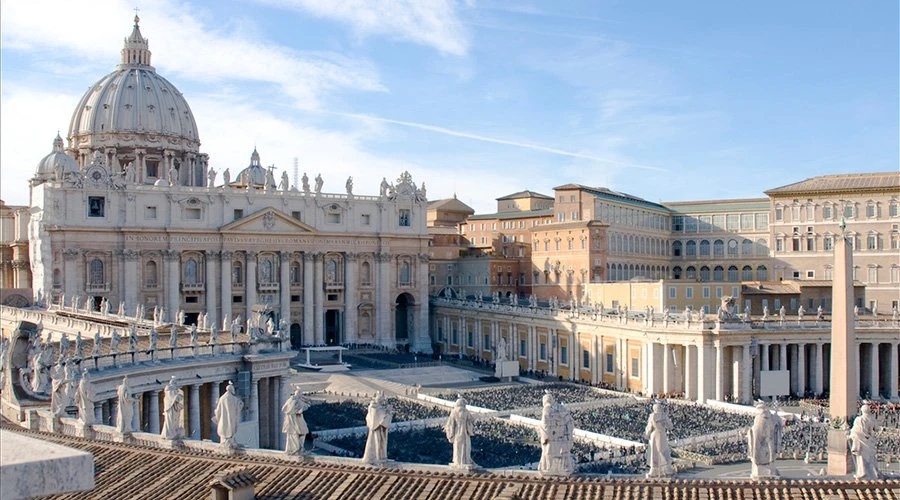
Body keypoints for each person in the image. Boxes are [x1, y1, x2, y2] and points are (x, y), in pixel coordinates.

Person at [537, 392, 575, 476]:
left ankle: (548, 468)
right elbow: (570, 422)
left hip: (554, 439)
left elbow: (544, 425)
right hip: (560, 440)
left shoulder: (547, 409)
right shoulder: (561, 409)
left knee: (549, 454)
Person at [747, 402, 783, 479]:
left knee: (758, 450)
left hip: (759, 443)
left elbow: (754, 430)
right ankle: (769, 463)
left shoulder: (758, 418)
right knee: (769, 450)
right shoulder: (771, 418)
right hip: (769, 442)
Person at [444, 396, 477, 469]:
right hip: (465, 432)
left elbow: (450, 424)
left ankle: (458, 462)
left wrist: (450, 434)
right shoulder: (466, 411)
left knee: (457, 447)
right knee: (466, 447)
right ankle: (465, 461)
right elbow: (471, 420)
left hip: (457, 432)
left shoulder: (454, 412)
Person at [849, 404, 880, 480]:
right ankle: (872, 473)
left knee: (862, 459)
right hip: (870, 441)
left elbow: (855, 431)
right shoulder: (872, 419)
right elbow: (877, 428)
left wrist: (850, 435)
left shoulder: (859, 419)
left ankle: (862, 473)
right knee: (870, 458)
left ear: (862, 410)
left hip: (861, 440)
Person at [644, 403, 674, 478]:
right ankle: (666, 469)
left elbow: (649, 427)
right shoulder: (664, 415)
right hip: (662, 435)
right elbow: (670, 426)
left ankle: (653, 470)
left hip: (654, 435)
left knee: (654, 452)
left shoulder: (652, 416)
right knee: (663, 451)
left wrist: (646, 435)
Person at [362, 392, 392, 464]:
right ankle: (377, 458)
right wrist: (388, 412)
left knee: (378, 444)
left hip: (378, 430)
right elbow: (379, 419)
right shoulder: (375, 408)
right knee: (376, 444)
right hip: (377, 430)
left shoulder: (374, 408)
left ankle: (378, 457)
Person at [213, 381, 243, 449]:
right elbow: (238, 408)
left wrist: (216, 415)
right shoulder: (234, 399)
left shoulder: (221, 398)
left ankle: (225, 441)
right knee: (230, 428)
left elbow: (218, 411)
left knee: (224, 427)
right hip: (231, 419)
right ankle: (229, 441)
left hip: (223, 420)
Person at [281, 388, 309, 455]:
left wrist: (301, 409)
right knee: (293, 434)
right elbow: (284, 409)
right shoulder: (291, 400)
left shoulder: (297, 400)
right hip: (292, 421)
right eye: (300, 394)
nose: (301, 395)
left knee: (303, 432)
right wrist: (294, 411)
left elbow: (305, 406)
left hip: (297, 419)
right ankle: (295, 450)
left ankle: (299, 449)